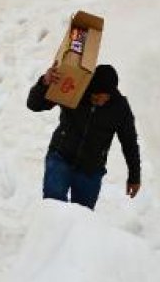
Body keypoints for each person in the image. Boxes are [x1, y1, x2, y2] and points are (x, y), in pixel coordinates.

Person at [26, 63, 141, 209]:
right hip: (61, 158)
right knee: (53, 208)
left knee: (83, 218)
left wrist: (134, 177)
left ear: (111, 94)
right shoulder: (74, 90)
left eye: (102, 97)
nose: (98, 100)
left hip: (91, 169)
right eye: (94, 96)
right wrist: (44, 83)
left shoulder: (120, 108)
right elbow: (34, 105)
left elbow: (129, 143)